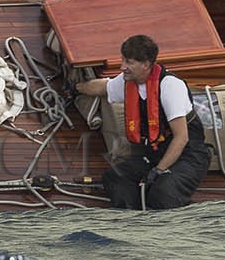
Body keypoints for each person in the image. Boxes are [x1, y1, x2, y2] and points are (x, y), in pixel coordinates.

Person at [75, 34, 211, 210]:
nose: (122, 67)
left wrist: (159, 170)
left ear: (146, 64)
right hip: (154, 154)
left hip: (188, 155)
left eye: (129, 62)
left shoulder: (170, 87)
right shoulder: (128, 80)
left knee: (162, 193)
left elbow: (181, 138)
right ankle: (130, 220)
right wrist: (77, 88)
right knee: (115, 177)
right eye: (122, 60)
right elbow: (102, 87)